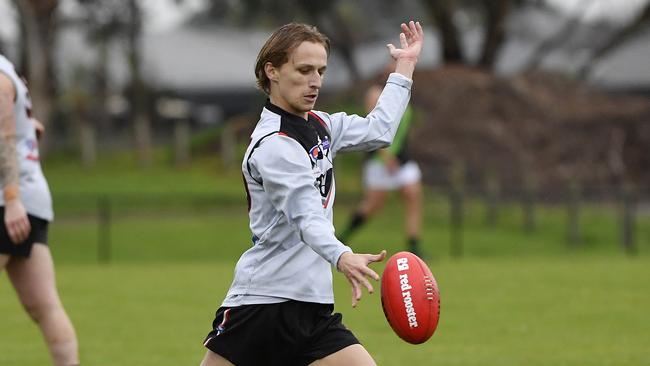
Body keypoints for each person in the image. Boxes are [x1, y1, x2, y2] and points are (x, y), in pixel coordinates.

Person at [200, 20, 424, 366]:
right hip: (263, 305)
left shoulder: (319, 125)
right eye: (304, 70)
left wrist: (405, 65)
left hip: (311, 307)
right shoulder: (274, 146)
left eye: (320, 70)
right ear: (271, 71)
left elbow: (380, 130)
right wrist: (342, 255)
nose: (315, 80)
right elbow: (306, 215)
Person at [0, 54, 79, 366]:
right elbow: (30, 126)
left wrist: (12, 200)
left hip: (9, 201)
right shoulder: (9, 71)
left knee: (45, 306)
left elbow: (4, 139)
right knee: (44, 305)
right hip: (31, 199)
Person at [338, 83, 423, 256]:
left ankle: (414, 247)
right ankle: (341, 239)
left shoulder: (405, 88)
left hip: (402, 159)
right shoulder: (376, 92)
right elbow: (372, 126)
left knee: (413, 195)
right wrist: (385, 156)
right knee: (373, 204)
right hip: (379, 160)